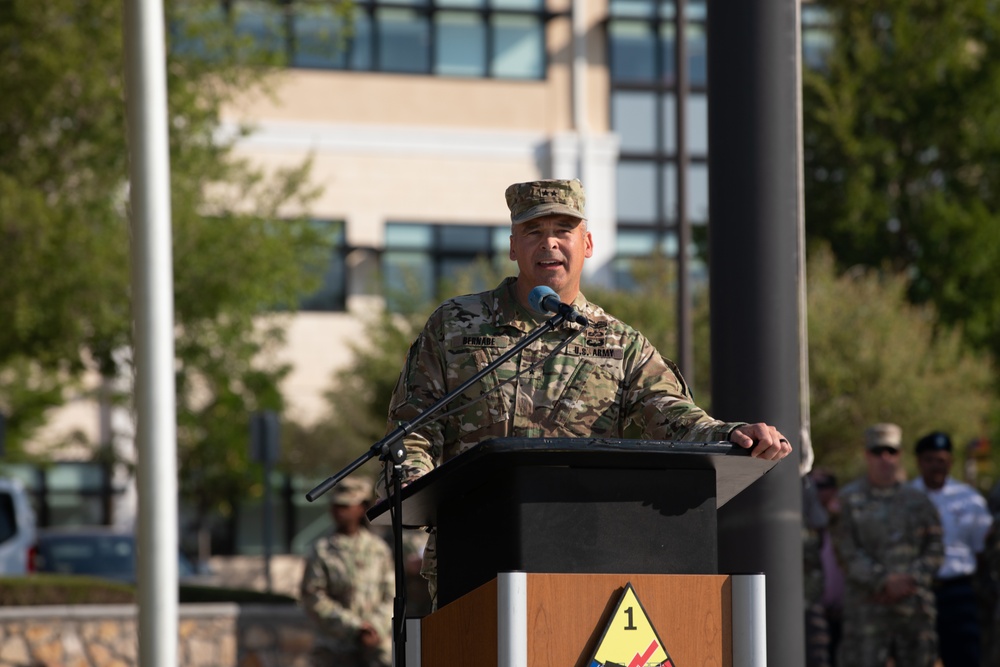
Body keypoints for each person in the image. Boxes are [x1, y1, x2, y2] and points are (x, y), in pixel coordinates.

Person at [382, 178, 793, 604]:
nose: (550, 244)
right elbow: (413, 427)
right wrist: (417, 489)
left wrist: (729, 435)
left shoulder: (618, 342)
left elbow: (671, 414)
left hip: (583, 558)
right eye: (534, 233)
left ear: (588, 243)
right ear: (512, 247)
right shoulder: (455, 325)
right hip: (472, 556)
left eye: (563, 230)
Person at [832, 423, 944, 667]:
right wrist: (884, 581)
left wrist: (910, 579)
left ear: (899, 454)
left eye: (891, 451)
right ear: (867, 455)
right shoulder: (849, 500)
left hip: (914, 609)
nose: (885, 458)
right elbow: (846, 551)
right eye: (877, 451)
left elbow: (935, 547)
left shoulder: (919, 500)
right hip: (867, 609)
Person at [908, 431, 993, 667]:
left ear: (950, 462)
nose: (936, 466)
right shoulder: (905, 498)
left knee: (964, 656)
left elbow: (981, 550)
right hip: (916, 592)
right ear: (919, 461)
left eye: (941, 460)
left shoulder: (969, 499)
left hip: (959, 592)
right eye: (929, 460)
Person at [300, 476, 393, 667]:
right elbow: (312, 596)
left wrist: (373, 627)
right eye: (336, 505)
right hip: (334, 649)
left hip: (376, 649)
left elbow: (391, 594)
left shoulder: (378, 549)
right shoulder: (322, 550)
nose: (338, 511)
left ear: (361, 508)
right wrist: (354, 627)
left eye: (345, 505)